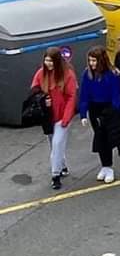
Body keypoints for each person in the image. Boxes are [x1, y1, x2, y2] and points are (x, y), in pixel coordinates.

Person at [77, 46, 120, 183]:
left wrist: (113, 112)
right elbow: (84, 95)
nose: (92, 64)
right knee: (99, 137)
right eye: (90, 60)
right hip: (94, 109)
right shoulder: (87, 74)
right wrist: (83, 114)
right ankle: (105, 165)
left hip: (108, 109)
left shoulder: (113, 74)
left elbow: (116, 95)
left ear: (102, 60)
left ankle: (108, 167)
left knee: (106, 138)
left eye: (94, 61)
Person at [31, 46, 77, 189]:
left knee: (57, 144)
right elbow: (34, 89)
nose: (48, 64)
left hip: (62, 116)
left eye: (51, 61)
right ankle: (62, 166)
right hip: (49, 116)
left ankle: (55, 175)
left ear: (57, 61)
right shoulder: (41, 73)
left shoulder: (68, 75)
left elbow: (71, 97)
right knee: (54, 144)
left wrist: (66, 118)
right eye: (46, 61)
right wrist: (43, 99)